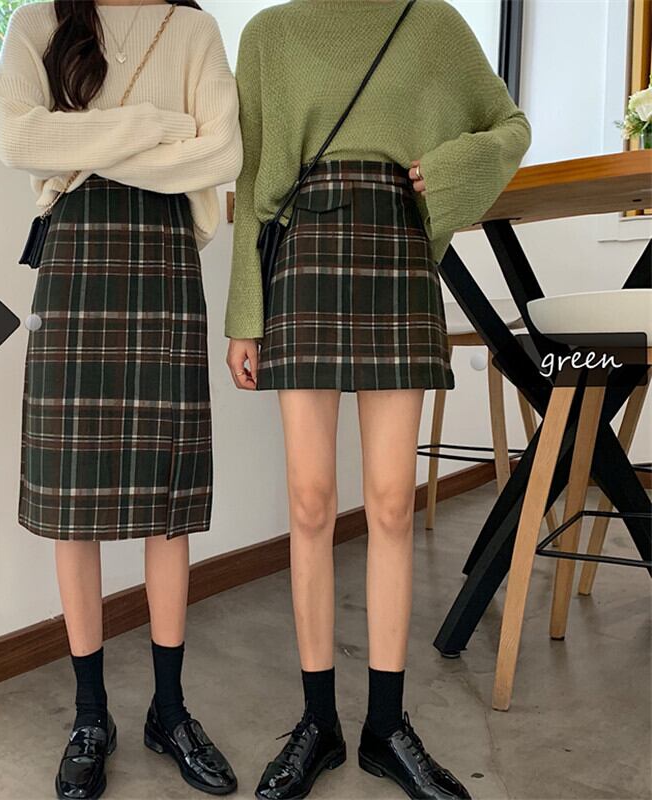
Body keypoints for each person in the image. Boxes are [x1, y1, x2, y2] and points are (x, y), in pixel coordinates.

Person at [224, 1, 531, 799]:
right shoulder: (269, 35)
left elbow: (509, 126)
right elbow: (251, 183)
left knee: (393, 504)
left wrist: (455, 167)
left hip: (397, 248)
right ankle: (317, 724)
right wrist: (244, 316)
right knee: (310, 503)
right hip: (302, 254)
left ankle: (387, 729)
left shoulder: (431, 22)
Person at [0, 1, 242, 797]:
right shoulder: (39, 22)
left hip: (165, 257)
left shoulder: (193, 30)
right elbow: (16, 140)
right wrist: (157, 127)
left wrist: (87, 141)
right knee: (74, 499)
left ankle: (169, 710)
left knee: (167, 497)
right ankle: (90, 715)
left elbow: (221, 152)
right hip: (75, 257)